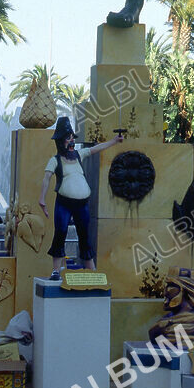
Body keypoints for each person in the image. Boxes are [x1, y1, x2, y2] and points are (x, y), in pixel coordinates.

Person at [39, 116, 123, 279]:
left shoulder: (79, 155)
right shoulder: (55, 160)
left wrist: (114, 141)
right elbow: (46, 178)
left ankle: (91, 270)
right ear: (60, 141)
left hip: (82, 204)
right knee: (61, 232)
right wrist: (42, 198)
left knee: (84, 234)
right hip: (64, 203)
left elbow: (97, 148)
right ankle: (56, 270)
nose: (71, 142)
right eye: (67, 138)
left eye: (72, 138)